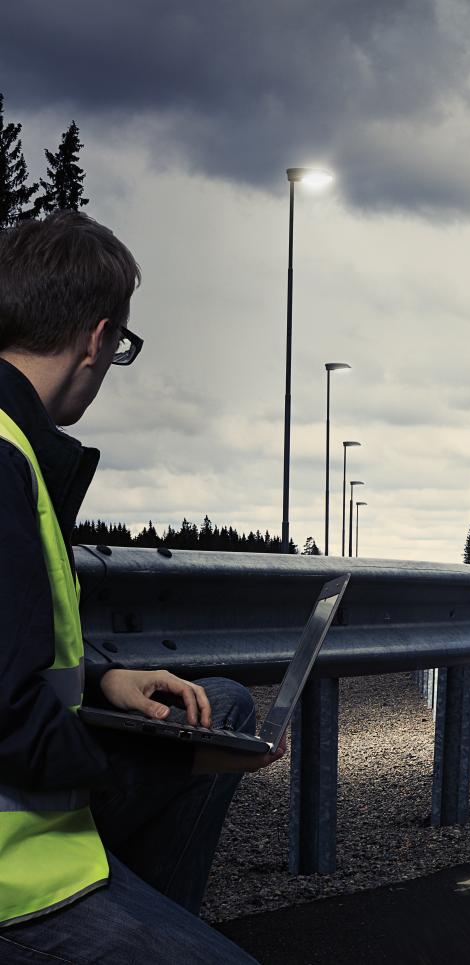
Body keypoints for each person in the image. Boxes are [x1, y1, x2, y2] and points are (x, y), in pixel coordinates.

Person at [0, 212, 280, 963]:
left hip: (32, 819)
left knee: (219, 705)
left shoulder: (14, 439)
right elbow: (6, 713)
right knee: (199, 740)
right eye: (118, 345)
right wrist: (173, 761)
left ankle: (149, 924)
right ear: (95, 340)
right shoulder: (2, 458)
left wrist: (106, 677)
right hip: (16, 877)